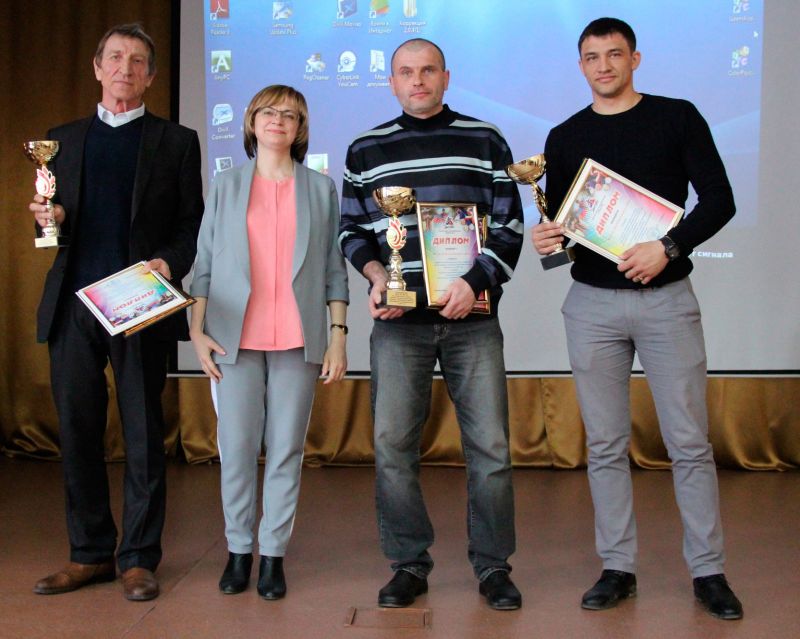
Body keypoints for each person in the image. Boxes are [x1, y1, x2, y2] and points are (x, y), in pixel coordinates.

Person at [532, 17, 743, 620]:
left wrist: (668, 248)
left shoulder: (677, 116)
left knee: (689, 443)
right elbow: (570, 236)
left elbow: (721, 200)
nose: (604, 66)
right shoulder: (564, 136)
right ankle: (617, 567)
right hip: (591, 306)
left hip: (666, 299)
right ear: (581, 66)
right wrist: (549, 244)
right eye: (592, 57)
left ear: (635, 59)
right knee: (604, 445)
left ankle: (708, 572)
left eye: (614, 54)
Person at [339, 38, 524, 610]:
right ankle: (408, 564)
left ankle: (493, 566)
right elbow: (352, 231)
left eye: (427, 71)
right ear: (391, 81)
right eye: (405, 72)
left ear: (446, 76)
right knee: (393, 446)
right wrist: (377, 276)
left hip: (472, 319)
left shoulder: (485, 139)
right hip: (400, 324)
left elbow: (510, 225)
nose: (417, 81)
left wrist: (475, 282)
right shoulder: (365, 149)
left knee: (490, 447)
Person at [29, 24, 204, 601]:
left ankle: (138, 559)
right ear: (97, 68)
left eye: (137, 61)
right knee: (78, 432)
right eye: (115, 58)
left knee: (144, 433)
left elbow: (191, 222)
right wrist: (47, 219)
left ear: (150, 75)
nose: (125, 68)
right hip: (74, 304)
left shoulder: (176, 141)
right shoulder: (61, 140)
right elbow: (52, 225)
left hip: (139, 302)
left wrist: (168, 262)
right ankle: (88, 554)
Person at [190, 85, 349, 600]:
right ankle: (239, 550)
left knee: (286, 450)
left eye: (290, 114)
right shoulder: (227, 185)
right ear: (251, 121)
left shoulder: (320, 188)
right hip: (231, 337)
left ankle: (273, 555)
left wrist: (338, 336)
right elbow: (204, 264)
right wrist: (196, 330)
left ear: (300, 128)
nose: (278, 120)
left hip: (299, 339)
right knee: (236, 449)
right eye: (268, 111)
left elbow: (333, 269)